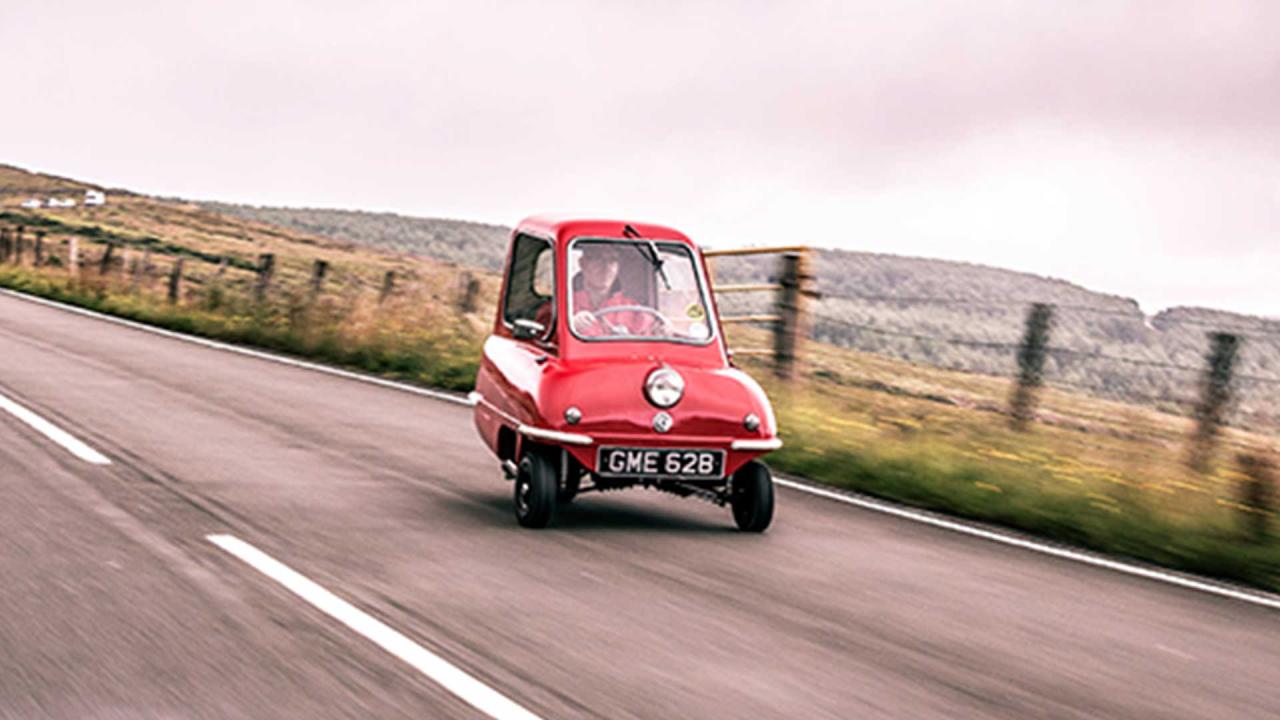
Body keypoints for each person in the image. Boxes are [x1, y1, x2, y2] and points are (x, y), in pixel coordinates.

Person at [571, 243, 664, 337]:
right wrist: (571, 326)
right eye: (598, 258)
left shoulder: (634, 310)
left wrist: (664, 330)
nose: (607, 266)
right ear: (582, 264)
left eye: (612, 260)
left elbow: (652, 337)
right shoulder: (567, 306)